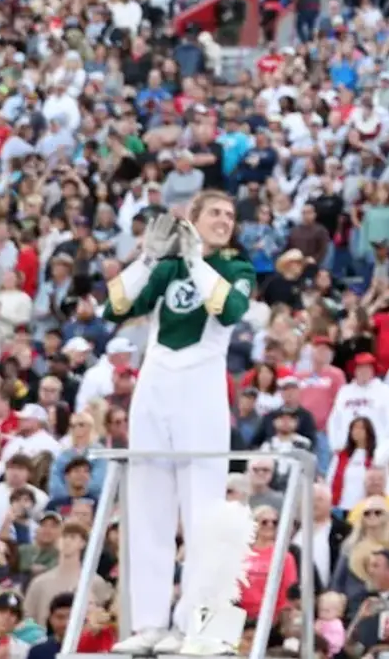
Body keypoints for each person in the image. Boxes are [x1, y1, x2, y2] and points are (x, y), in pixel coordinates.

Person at [103, 193, 255, 657]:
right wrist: (148, 258)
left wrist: (196, 261)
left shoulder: (237, 270)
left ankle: (193, 625)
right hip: (154, 387)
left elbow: (229, 310)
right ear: (192, 220)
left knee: (201, 512)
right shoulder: (167, 270)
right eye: (215, 213)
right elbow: (116, 307)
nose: (224, 221)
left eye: (230, 216)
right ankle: (149, 623)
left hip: (201, 391)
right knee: (148, 509)